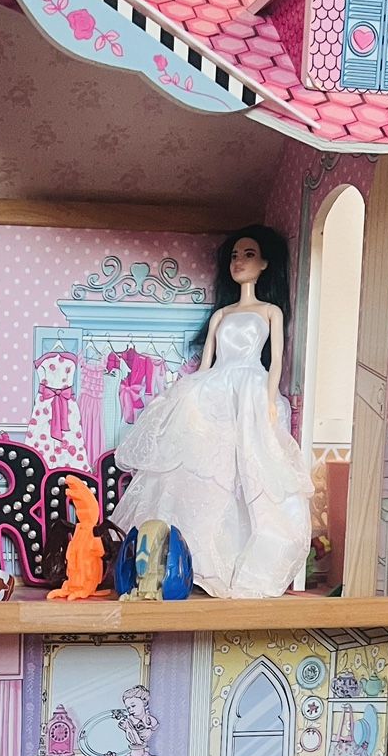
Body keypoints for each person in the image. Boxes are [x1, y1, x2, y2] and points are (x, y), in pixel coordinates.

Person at [113, 227, 312, 598]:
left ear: (265, 264)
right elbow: (206, 365)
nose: (239, 262)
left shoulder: (270, 312)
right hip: (215, 389)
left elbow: (275, 362)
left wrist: (270, 401)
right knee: (205, 471)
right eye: (235, 256)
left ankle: (240, 562)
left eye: (248, 255)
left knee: (249, 470)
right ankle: (193, 560)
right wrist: (186, 398)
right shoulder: (222, 314)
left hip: (251, 392)